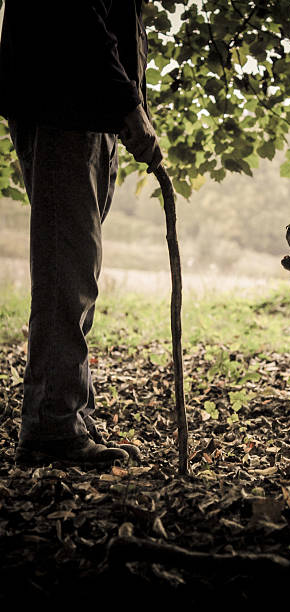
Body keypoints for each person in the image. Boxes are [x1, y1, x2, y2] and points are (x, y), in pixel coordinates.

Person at [0, 0, 163, 467]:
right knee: (66, 277)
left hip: (86, 115)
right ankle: (52, 427)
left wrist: (127, 110)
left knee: (75, 275)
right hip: (65, 109)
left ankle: (65, 415)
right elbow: (75, 15)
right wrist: (130, 107)